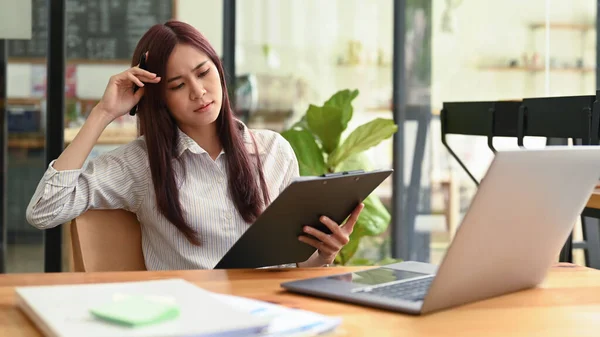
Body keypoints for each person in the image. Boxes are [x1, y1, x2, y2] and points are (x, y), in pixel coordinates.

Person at [25, 20, 364, 270]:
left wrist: (324, 255)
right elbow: (45, 210)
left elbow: (292, 272)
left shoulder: (274, 150)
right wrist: (103, 113)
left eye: (203, 73)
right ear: (159, 98)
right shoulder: (143, 164)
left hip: (270, 316)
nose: (198, 92)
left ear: (218, 70)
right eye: (177, 85)